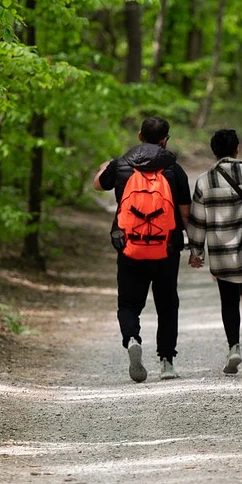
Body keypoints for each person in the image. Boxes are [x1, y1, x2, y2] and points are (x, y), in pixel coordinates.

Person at [94, 117, 191, 383]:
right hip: (166, 248)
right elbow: (184, 213)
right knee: (168, 304)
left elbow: (97, 184)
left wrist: (106, 166)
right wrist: (192, 246)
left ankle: (133, 338)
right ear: (165, 140)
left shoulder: (121, 164)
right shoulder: (174, 169)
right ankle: (167, 362)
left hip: (129, 247)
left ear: (139, 136)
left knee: (128, 303)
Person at [186, 128, 242, 379]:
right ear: (238, 148)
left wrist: (195, 251)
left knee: (228, 301)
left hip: (221, 253)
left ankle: (233, 347)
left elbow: (197, 221)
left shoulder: (204, 180)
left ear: (214, 152)